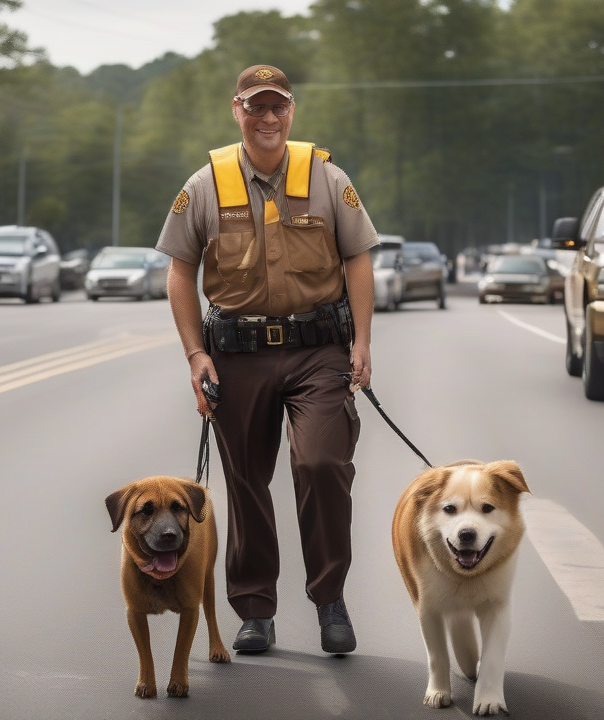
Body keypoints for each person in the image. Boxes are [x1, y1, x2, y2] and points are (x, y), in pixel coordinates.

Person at [155, 64, 378, 656]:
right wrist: (195, 353)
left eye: (278, 106)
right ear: (238, 110)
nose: (268, 118)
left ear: (292, 111)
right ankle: (255, 610)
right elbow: (179, 270)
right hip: (238, 355)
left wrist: (361, 342)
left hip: (317, 351)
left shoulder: (329, 179)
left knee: (322, 465)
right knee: (246, 482)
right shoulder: (204, 185)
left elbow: (358, 256)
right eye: (257, 107)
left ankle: (330, 599)